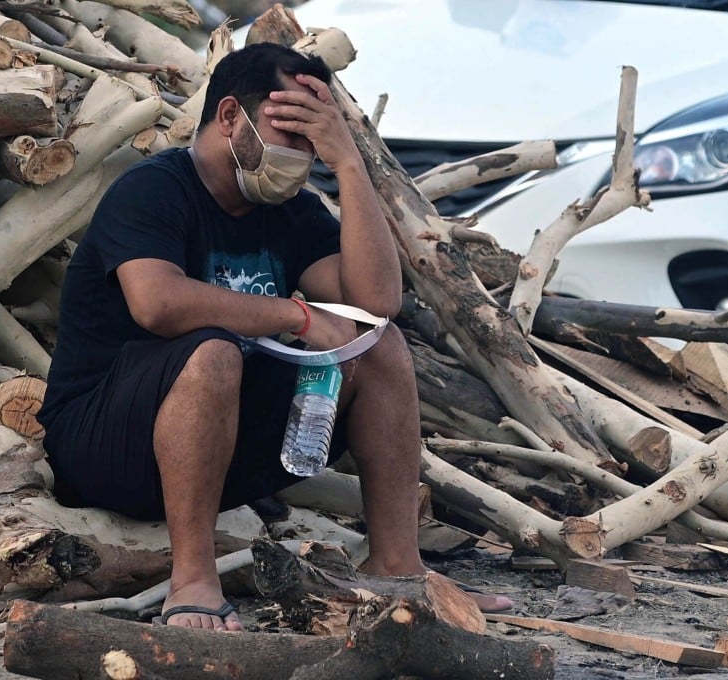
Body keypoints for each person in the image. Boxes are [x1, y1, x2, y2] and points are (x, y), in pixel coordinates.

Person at [37, 42, 512, 631]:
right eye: (286, 131)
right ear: (231, 116)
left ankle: (397, 565)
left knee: (379, 344)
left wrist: (350, 166)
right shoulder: (152, 190)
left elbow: (377, 303)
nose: (298, 155)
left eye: (312, 140)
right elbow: (158, 304)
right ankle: (193, 583)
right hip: (104, 446)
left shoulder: (290, 210)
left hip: (224, 444)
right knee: (211, 353)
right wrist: (297, 316)